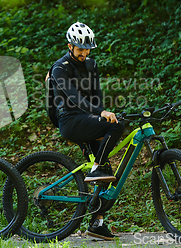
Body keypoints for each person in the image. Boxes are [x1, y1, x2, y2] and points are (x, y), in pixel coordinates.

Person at [49, 22, 125, 240]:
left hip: (88, 118)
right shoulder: (60, 68)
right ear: (69, 46)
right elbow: (75, 99)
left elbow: (95, 95)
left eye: (87, 48)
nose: (84, 52)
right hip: (70, 120)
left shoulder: (91, 64)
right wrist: (101, 114)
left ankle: (97, 222)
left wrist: (101, 114)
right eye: (80, 48)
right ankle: (96, 168)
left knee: (110, 176)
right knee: (116, 127)